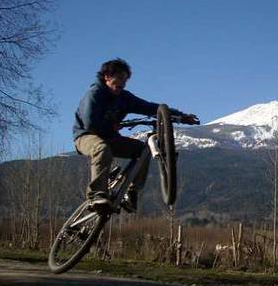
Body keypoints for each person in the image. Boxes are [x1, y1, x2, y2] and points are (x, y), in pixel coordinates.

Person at [73, 58, 199, 212]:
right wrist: (109, 127)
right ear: (107, 76)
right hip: (86, 136)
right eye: (119, 78)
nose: (122, 83)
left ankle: (130, 191)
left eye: (125, 80)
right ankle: (96, 195)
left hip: (110, 137)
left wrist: (180, 116)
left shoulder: (124, 98)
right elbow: (90, 123)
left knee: (142, 151)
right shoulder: (95, 94)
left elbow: (150, 107)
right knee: (101, 148)